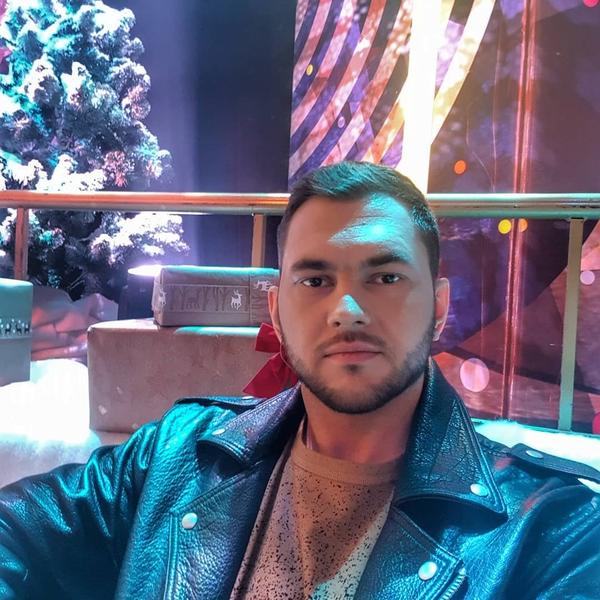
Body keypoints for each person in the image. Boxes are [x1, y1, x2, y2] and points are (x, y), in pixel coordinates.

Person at [0, 161, 599, 600]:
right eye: (315, 281)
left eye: (385, 278)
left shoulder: (552, 530)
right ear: (277, 313)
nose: (347, 311)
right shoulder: (178, 454)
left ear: (439, 308)